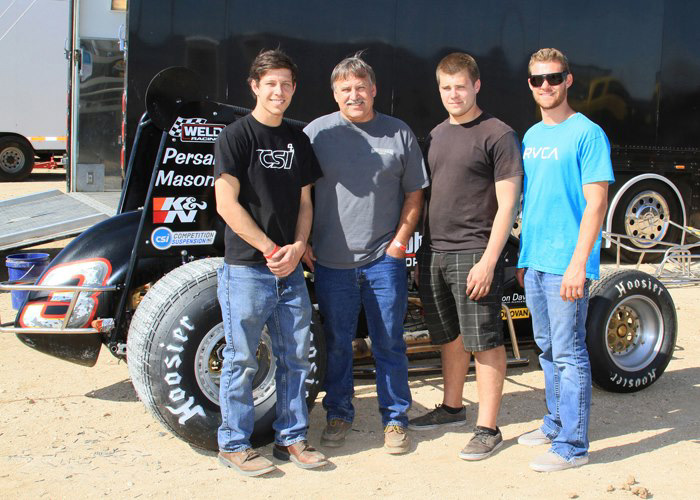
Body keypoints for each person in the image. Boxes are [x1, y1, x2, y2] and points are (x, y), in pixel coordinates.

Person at [303, 53, 429, 454]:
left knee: (389, 341)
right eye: (345, 89)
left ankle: (395, 419)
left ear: (374, 90)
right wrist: (302, 240)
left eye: (361, 87)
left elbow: (415, 194)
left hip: (383, 261)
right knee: (338, 343)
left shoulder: (398, 133)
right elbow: (299, 194)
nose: (354, 95)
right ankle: (339, 413)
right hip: (331, 262)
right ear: (334, 94)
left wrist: (398, 244)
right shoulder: (316, 134)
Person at [214, 49, 326, 476]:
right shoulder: (236, 136)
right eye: (270, 83)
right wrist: (269, 248)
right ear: (254, 86)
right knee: (242, 359)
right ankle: (234, 444)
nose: (278, 91)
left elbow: (305, 202)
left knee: (296, 356)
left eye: (286, 84)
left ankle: (291, 438)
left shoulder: (298, 140)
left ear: (294, 89)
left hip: (290, 268)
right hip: (247, 268)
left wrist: (298, 246)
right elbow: (226, 204)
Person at [408, 53, 523, 461]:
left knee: (485, 341)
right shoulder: (436, 134)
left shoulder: (498, 134)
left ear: (476, 85)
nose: (453, 94)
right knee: (450, 337)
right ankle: (452, 407)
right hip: (434, 253)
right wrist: (421, 254)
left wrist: (489, 261)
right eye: (446, 87)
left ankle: (488, 428)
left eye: (460, 86)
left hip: (475, 253)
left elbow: (508, 205)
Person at [516, 48, 614, 472]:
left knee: (570, 353)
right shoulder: (531, 136)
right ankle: (555, 423)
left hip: (566, 265)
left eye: (554, 78)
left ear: (568, 80)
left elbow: (596, 204)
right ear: (530, 84)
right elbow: (532, 202)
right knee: (547, 348)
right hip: (536, 261)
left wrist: (578, 264)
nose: (546, 86)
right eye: (538, 79)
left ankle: (573, 446)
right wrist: (524, 258)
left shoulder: (587, 133)